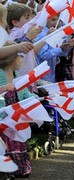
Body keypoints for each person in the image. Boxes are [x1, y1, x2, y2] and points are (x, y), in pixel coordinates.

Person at [0, 41, 37, 179]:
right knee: (6, 143)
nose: (21, 59)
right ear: (11, 59)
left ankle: (20, 167)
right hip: (4, 117)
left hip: (16, 118)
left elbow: (24, 93)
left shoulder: (16, 75)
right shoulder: (1, 74)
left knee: (18, 141)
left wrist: (37, 98)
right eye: (19, 56)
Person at [34, 15, 74, 83]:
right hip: (43, 74)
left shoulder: (54, 32)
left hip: (52, 71)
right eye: (53, 20)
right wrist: (61, 48)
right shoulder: (42, 34)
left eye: (58, 20)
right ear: (45, 20)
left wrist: (67, 47)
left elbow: (59, 54)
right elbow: (44, 55)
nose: (56, 23)